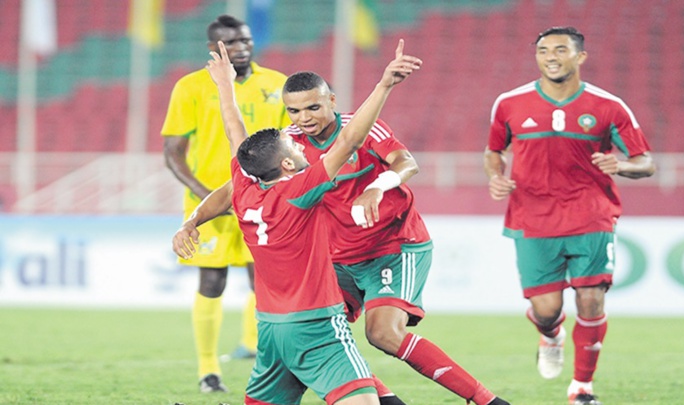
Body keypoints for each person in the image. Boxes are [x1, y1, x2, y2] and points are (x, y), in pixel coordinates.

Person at [182, 44, 510, 405]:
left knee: (383, 334)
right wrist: (195, 219)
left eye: (313, 107)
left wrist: (377, 185)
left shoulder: (361, 127)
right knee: (322, 332)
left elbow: (406, 162)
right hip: (337, 258)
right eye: (293, 110)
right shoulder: (290, 148)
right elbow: (233, 185)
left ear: (331, 100)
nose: (303, 117)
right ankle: (382, 399)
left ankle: (486, 400)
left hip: (391, 245)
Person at [174, 38, 421, 405]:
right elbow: (350, 139)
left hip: (271, 328)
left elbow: (234, 130)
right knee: (366, 401)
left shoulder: (244, 187)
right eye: (292, 148)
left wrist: (190, 222)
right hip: (317, 324)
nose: (299, 142)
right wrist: (383, 85)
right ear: (287, 164)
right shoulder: (298, 191)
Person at [484, 26, 655, 405]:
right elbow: (494, 150)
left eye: (560, 50)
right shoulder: (510, 103)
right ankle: (550, 334)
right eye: (543, 50)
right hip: (532, 216)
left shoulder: (608, 106)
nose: (551, 56)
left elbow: (647, 163)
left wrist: (621, 165)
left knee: (591, 300)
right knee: (547, 310)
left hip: (590, 214)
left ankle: (582, 387)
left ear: (580, 57)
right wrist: (496, 177)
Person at [161, 14, 290, 393]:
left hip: (263, 202)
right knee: (212, 281)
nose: (241, 47)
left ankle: (261, 357)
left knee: (263, 281)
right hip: (212, 207)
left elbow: (291, 145)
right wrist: (208, 198)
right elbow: (173, 153)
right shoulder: (191, 87)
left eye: (245, 40)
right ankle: (208, 371)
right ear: (212, 48)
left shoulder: (276, 84)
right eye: (230, 42)